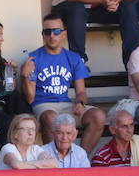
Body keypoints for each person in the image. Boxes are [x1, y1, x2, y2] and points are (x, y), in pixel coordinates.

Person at [22, 14, 105, 150]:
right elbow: (30, 99)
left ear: (64, 34)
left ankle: (79, 161)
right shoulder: (33, 59)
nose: (52, 36)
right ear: (42, 34)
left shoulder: (73, 58)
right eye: (47, 32)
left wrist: (80, 102)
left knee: (99, 116)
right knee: (51, 118)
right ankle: (56, 164)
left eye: (56, 31)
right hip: (44, 106)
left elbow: (81, 92)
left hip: (67, 106)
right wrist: (25, 77)